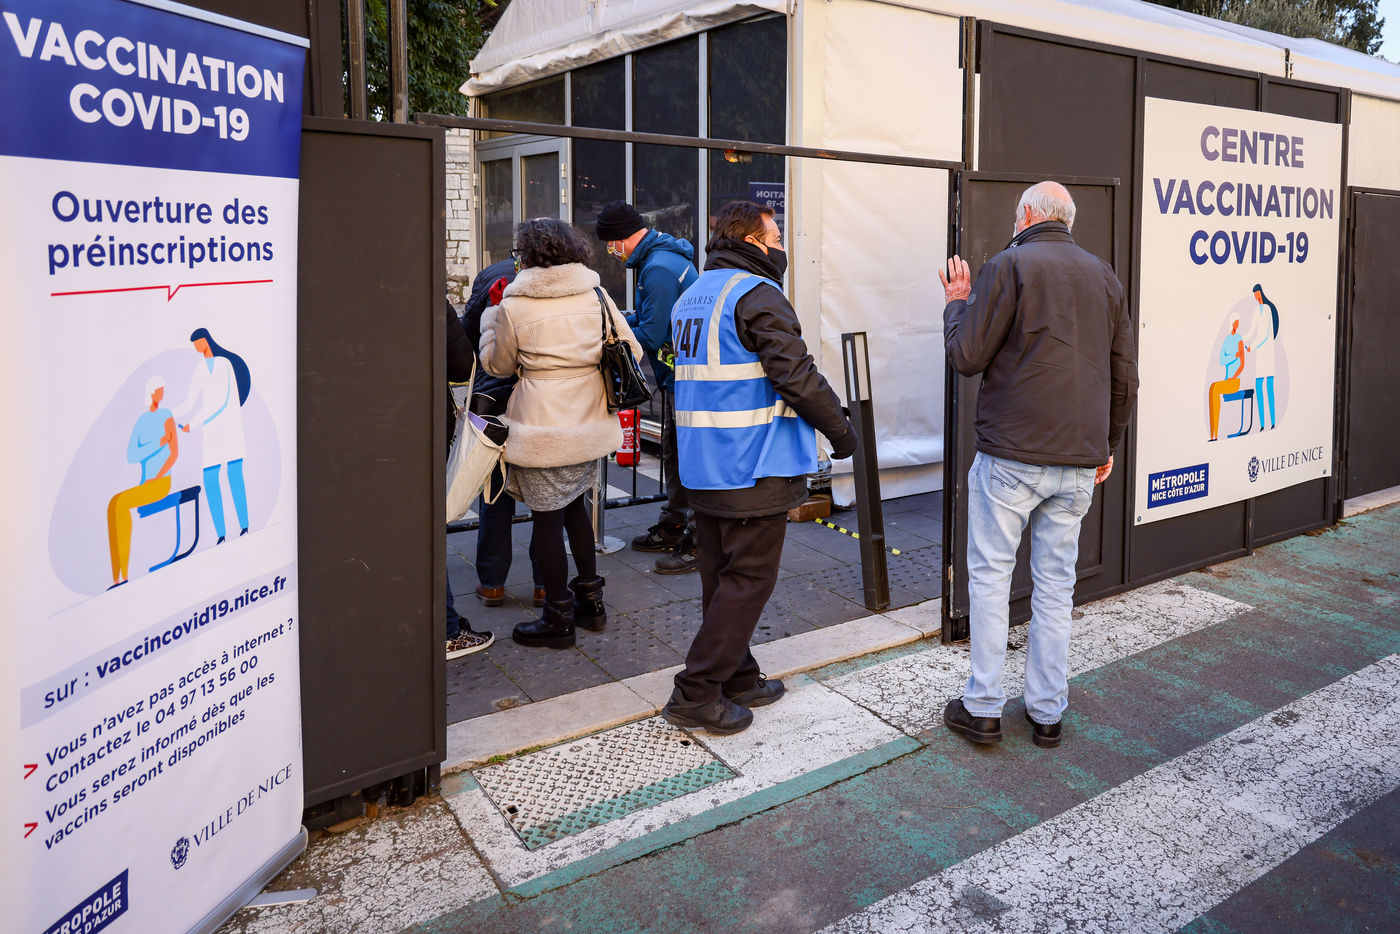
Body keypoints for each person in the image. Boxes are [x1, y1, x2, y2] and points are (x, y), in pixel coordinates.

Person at [939, 180, 1137, 749]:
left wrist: (957, 304)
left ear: (1027, 215)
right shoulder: (1104, 275)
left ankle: (983, 708)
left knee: (990, 577)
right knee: (1055, 586)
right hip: (1078, 461)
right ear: (1065, 219)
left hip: (1011, 457)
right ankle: (1047, 712)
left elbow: (966, 356)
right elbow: (1125, 377)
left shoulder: (1009, 265)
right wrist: (1106, 445)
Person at [662, 201, 857, 735]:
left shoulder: (694, 294)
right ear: (751, 241)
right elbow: (796, 375)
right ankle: (697, 692)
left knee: (721, 576)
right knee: (748, 580)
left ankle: (738, 676)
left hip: (703, 462)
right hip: (753, 462)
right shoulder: (757, 294)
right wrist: (840, 431)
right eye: (775, 237)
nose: (781, 247)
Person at [480, 218, 643, 649]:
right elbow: (633, 349)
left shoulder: (514, 304)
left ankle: (558, 618)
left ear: (527, 256)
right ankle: (591, 603)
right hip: (590, 422)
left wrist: (489, 322)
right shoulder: (596, 294)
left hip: (541, 428)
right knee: (576, 511)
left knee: (547, 520)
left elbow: (497, 365)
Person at [596, 200, 701, 574]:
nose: (611, 251)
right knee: (676, 453)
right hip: (682, 371)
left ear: (622, 237)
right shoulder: (659, 258)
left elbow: (653, 334)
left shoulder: (657, 268)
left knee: (683, 455)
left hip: (683, 376)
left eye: (610, 243)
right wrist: (622, 319)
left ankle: (692, 536)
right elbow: (651, 316)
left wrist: (610, 338)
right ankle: (675, 523)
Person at [461, 258, 544, 609]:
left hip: (494, 397)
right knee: (544, 493)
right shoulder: (561, 283)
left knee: (494, 491)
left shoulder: (493, 276)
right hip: (540, 401)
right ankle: (544, 584)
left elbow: (466, 335)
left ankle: (492, 582)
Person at [444, 299, 495, 659]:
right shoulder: (430, 302)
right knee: (425, 532)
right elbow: (463, 366)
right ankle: (447, 631)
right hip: (420, 428)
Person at [172, 328, 250, 545]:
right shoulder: (200, 368)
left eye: (197, 342)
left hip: (230, 428)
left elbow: (221, 403)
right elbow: (190, 401)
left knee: (234, 475)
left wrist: (192, 423)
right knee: (210, 479)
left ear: (205, 341)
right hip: (212, 432)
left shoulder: (224, 364)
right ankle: (221, 534)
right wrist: (170, 415)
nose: (195, 347)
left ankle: (244, 526)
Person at [106, 378, 179, 589]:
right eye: (159, 390)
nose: (162, 393)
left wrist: (157, 476)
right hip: (145, 484)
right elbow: (132, 455)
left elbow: (174, 454)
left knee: (121, 504)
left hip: (161, 483)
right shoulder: (142, 421)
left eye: (163, 389)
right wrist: (159, 442)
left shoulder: (167, 416)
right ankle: (116, 577)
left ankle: (125, 577)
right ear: (151, 392)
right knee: (113, 504)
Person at [1208, 315, 1247, 442]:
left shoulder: (1239, 339)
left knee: (1214, 388)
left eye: (1238, 322)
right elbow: (1222, 360)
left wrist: (1234, 377)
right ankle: (1213, 434)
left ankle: (1215, 434)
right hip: (1227, 380)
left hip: (1235, 381)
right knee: (1212, 388)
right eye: (1235, 322)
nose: (1237, 325)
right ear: (1231, 323)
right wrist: (1234, 355)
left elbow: (1242, 364)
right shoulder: (1227, 340)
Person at [1247, 284, 1278, 431]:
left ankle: (1273, 421)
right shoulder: (1256, 311)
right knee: (1259, 387)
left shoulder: (1266, 309)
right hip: (1260, 355)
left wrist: (1251, 347)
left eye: (1256, 293)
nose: (1255, 296)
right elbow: (1251, 331)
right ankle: (1262, 424)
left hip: (1268, 353)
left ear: (1260, 293)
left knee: (1269, 387)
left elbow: (1264, 335)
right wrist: (1241, 339)